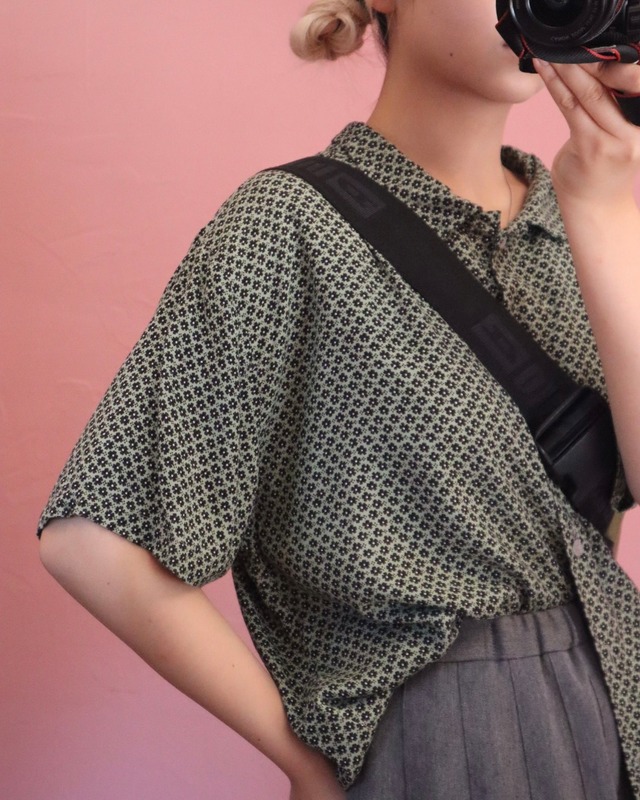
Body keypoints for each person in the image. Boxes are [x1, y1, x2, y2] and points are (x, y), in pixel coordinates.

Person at [37, 0, 640, 798]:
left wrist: (603, 208)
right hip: (440, 738)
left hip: (616, 705)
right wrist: (305, 760)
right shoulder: (288, 227)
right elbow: (92, 538)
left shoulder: (581, 216)